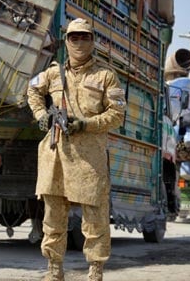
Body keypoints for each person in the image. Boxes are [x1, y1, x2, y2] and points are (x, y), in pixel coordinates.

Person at [27, 18, 126, 281]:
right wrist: (41, 115)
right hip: (56, 154)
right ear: (67, 41)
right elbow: (32, 90)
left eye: (84, 37)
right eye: (74, 38)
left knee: (95, 217)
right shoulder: (52, 72)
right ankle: (54, 268)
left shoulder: (106, 76)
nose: (79, 42)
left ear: (92, 41)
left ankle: (95, 269)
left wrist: (85, 124)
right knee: (53, 216)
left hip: (89, 157)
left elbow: (117, 114)